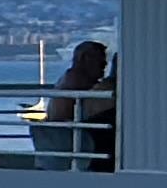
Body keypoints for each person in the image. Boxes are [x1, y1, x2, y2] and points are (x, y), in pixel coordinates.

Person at [40, 41, 116, 170]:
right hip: (73, 138)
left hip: (68, 135)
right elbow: (98, 101)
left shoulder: (69, 78)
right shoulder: (76, 80)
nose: (104, 64)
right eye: (100, 60)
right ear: (84, 58)